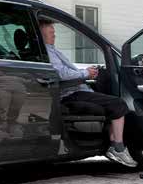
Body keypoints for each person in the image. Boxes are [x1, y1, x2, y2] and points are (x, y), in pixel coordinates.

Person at [39, 19, 137, 167]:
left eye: (54, 32)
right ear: (41, 34)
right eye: (51, 32)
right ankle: (118, 148)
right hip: (70, 93)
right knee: (118, 103)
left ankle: (115, 146)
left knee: (112, 105)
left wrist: (85, 73)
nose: (54, 35)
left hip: (76, 90)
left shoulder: (52, 50)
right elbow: (61, 74)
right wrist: (85, 73)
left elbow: (66, 71)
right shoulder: (47, 51)